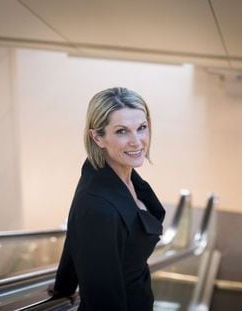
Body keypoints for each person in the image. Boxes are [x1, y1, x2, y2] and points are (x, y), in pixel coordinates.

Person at [49, 87, 165, 311]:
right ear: (97, 138)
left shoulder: (107, 174)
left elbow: (75, 235)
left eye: (141, 128)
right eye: (122, 131)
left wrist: (64, 285)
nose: (137, 141)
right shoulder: (98, 207)